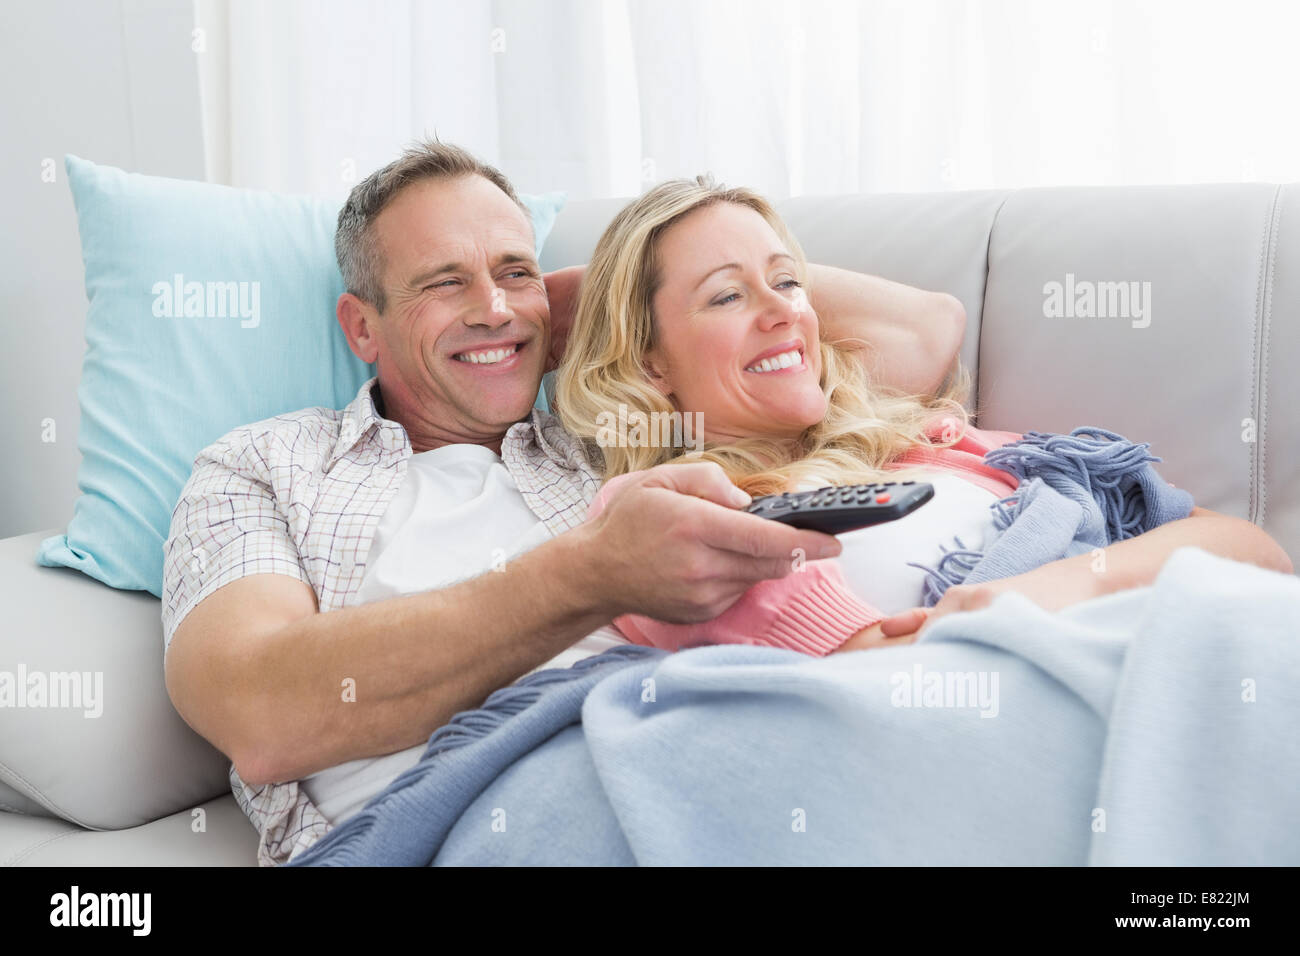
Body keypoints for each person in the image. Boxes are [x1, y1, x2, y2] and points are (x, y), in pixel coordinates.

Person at [160, 140, 967, 865]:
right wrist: (588, 575)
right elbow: (259, 711)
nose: (496, 309)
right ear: (362, 329)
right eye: (447, 283)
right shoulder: (262, 465)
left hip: (681, 747)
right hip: (464, 818)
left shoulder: (618, 429)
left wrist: (612, 289)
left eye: (516, 271)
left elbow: (924, 337)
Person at [555, 175, 1295, 657]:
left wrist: (1051, 589)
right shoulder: (662, 514)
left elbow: (1247, 547)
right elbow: (879, 670)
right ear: (648, 358)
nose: (785, 309)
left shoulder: (944, 444)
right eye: (726, 296)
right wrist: (598, 294)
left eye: (790, 281)